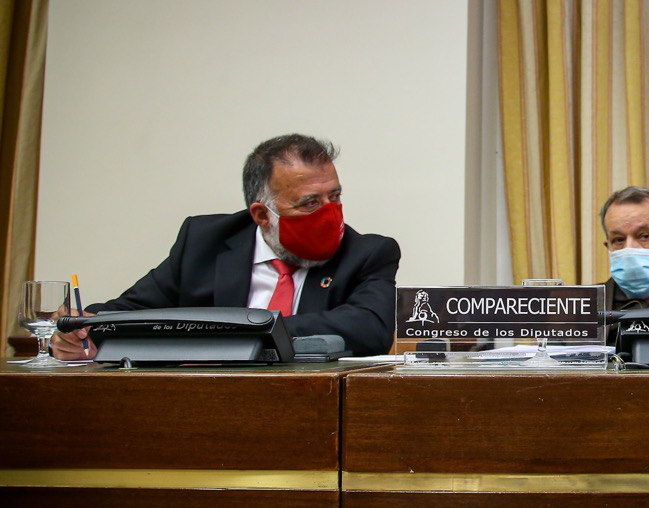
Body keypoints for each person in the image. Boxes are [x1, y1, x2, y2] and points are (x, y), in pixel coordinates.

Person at [51, 134, 400, 359]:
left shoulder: (366, 253)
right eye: (310, 202)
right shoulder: (205, 241)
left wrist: (251, 332)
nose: (328, 212)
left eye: (334, 196)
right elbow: (135, 309)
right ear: (262, 214)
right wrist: (82, 327)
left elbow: (370, 328)